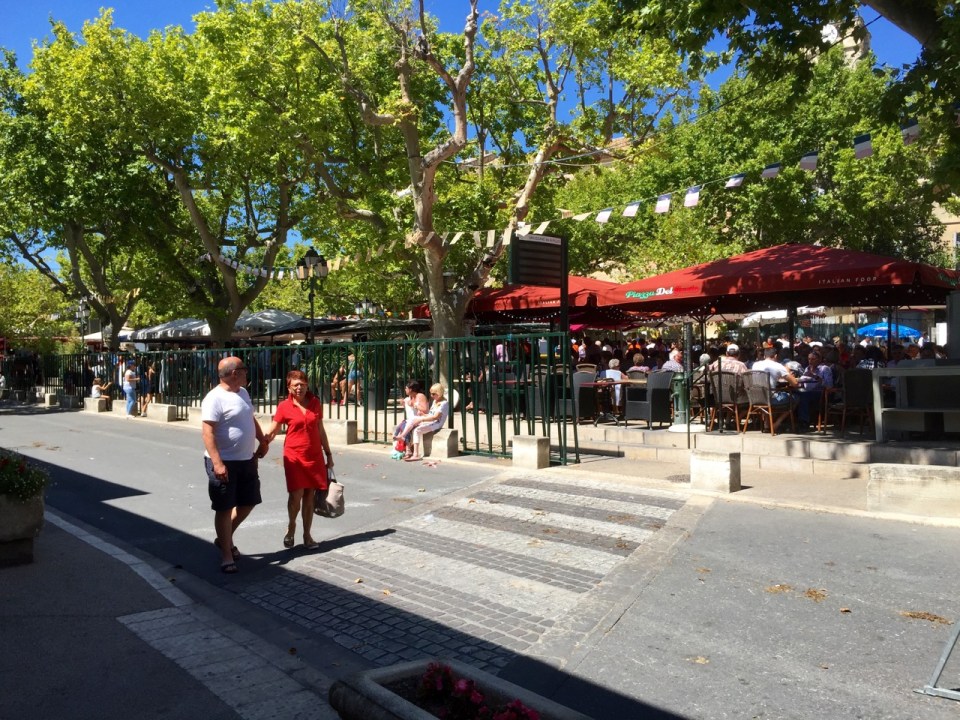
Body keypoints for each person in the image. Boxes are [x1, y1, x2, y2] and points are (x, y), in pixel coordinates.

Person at [202, 356, 270, 573]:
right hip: (225, 462)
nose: (247, 373)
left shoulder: (243, 393)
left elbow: (250, 418)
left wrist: (262, 440)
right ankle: (226, 554)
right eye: (244, 369)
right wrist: (217, 463)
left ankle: (224, 538)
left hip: (246, 459)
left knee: (248, 502)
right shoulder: (214, 398)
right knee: (224, 507)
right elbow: (207, 432)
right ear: (234, 373)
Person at [263, 370, 334, 550]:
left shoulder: (315, 403)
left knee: (309, 496)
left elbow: (320, 429)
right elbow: (273, 429)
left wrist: (328, 453)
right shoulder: (284, 406)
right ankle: (292, 524)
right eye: (296, 384)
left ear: (307, 385)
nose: (300, 387)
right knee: (296, 495)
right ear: (289, 387)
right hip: (294, 456)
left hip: (314, 456)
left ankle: (307, 535)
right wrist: (262, 443)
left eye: (302, 384)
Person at [400, 383, 450, 462]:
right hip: (431, 420)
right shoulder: (435, 401)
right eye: (431, 393)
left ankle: (415, 454)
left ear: (439, 393)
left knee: (417, 430)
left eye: (434, 394)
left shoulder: (444, 403)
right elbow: (430, 414)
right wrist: (423, 415)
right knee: (412, 420)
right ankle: (403, 437)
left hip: (437, 423)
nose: (431, 396)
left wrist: (422, 419)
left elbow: (435, 417)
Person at [393, 380, 429, 458]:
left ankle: (408, 449)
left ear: (411, 389)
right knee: (400, 427)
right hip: (412, 420)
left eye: (406, 388)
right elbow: (410, 411)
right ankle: (401, 448)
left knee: (406, 426)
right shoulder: (409, 398)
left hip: (421, 419)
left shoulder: (420, 396)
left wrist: (413, 405)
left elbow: (425, 409)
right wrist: (403, 404)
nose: (405, 390)